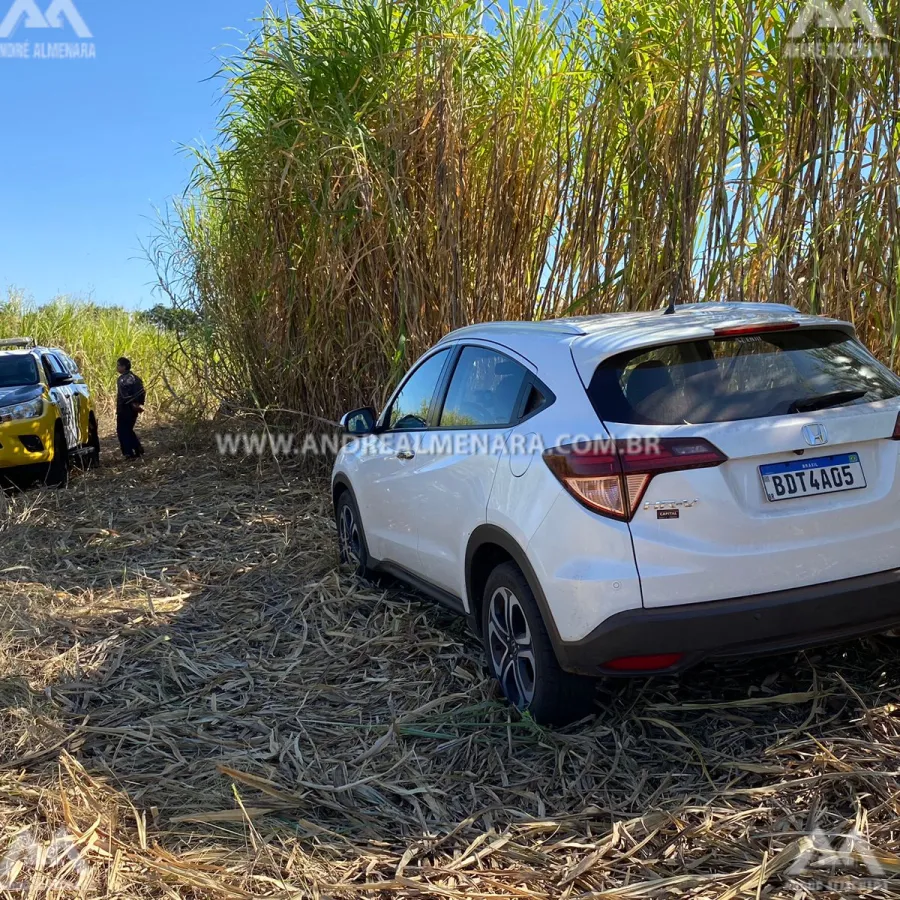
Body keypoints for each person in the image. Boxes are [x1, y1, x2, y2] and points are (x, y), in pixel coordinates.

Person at [116, 357, 146, 459]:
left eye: (118, 365)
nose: (117, 368)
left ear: (124, 367)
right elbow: (142, 393)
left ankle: (128, 453)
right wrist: (138, 404)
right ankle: (137, 448)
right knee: (128, 429)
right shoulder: (136, 378)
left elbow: (123, 396)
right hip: (134, 409)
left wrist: (130, 403)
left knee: (122, 430)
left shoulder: (122, 379)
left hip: (124, 408)